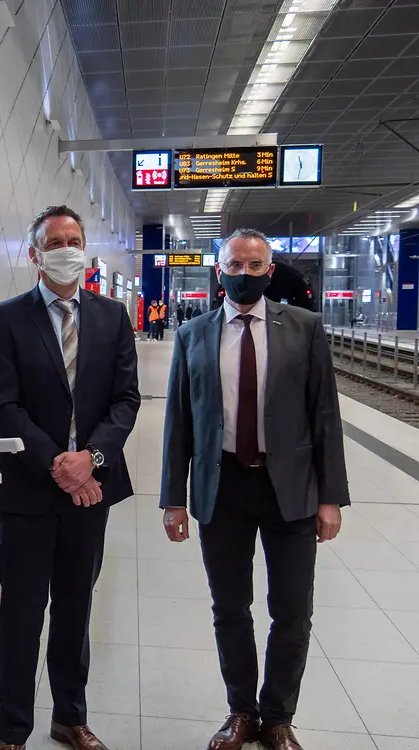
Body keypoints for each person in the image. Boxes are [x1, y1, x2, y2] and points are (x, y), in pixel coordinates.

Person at [160, 228, 349, 750]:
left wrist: (330, 497)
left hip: (289, 489)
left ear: (270, 271)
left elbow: (324, 415)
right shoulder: (193, 333)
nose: (244, 274)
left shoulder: (305, 328)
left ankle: (279, 717)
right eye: (235, 265)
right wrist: (174, 497)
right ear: (219, 271)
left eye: (254, 265)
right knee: (230, 607)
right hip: (222, 487)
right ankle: (241, 711)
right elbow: (179, 420)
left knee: (292, 609)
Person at [0, 205, 141, 750]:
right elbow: (2, 407)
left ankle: (70, 716)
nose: (67, 249)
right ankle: (13, 730)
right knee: (22, 616)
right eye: (55, 241)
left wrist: (90, 460)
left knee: (76, 609)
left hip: (90, 494)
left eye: (75, 239)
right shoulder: (5, 318)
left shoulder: (112, 316)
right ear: (35, 254)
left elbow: (125, 400)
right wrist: (61, 464)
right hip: (29, 492)